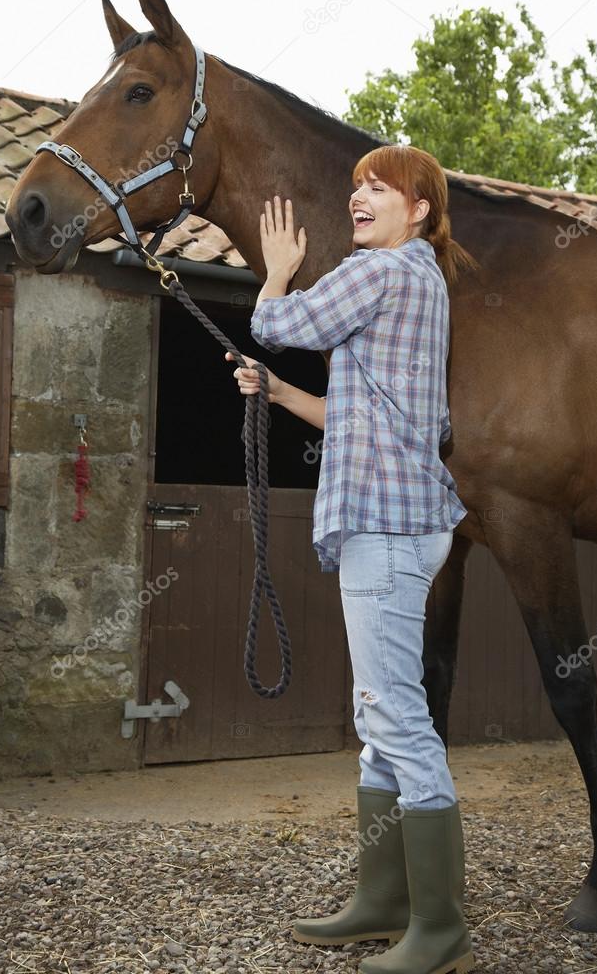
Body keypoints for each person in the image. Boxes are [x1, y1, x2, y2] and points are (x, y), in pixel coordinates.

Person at [225, 144, 478, 974]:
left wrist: (275, 272)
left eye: (381, 186)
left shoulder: (384, 271)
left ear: (420, 212)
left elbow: (279, 323)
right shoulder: (417, 285)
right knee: (380, 717)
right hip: (400, 519)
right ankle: (383, 901)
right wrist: (280, 391)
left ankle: (439, 932)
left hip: (388, 528)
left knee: (396, 715)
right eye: (357, 184)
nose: (359, 195)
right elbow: (360, 416)